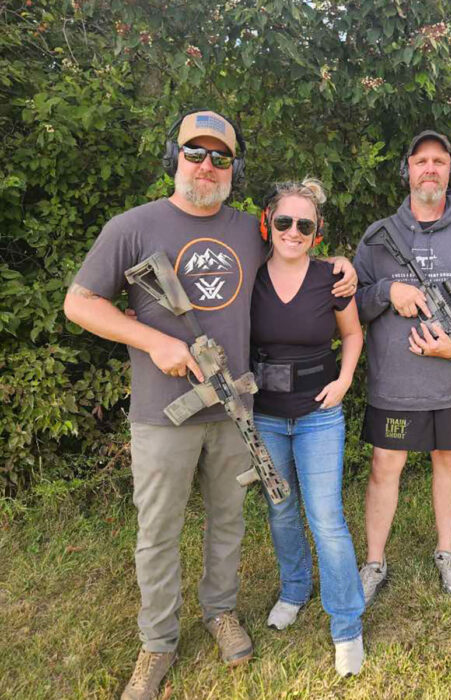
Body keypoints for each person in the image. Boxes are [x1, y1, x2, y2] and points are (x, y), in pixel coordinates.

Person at [63, 110, 357, 700]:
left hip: (234, 412)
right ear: (173, 158)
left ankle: (220, 612)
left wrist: (344, 267)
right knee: (158, 531)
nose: (207, 166)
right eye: (195, 154)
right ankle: (158, 642)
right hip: (160, 412)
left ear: (234, 168)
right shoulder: (134, 226)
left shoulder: (251, 229)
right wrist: (155, 341)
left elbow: (296, 245)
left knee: (228, 521)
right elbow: (80, 303)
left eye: (221, 157)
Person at [353, 131, 451, 604]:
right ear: (407, 171)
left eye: (439, 161)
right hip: (395, 384)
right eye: (421, 160)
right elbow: (352, 304)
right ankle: (374, 561)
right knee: (385, 466)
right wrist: (387, 292)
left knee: (449, 461)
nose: (430, 169)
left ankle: (445, 551)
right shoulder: (379, 237)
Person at [250, 179, 365, 676]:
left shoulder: (332, 278)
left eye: (305, 224)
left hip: (320, 415)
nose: (293, 231)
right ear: (268, 224)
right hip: (265, 416)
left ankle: (347, 624)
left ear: (317, 232)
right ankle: (294, 589)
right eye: (284, 222)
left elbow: (354, 332)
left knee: (327, 518)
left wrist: (344, 380)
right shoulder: (249, 275)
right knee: (281, 510)